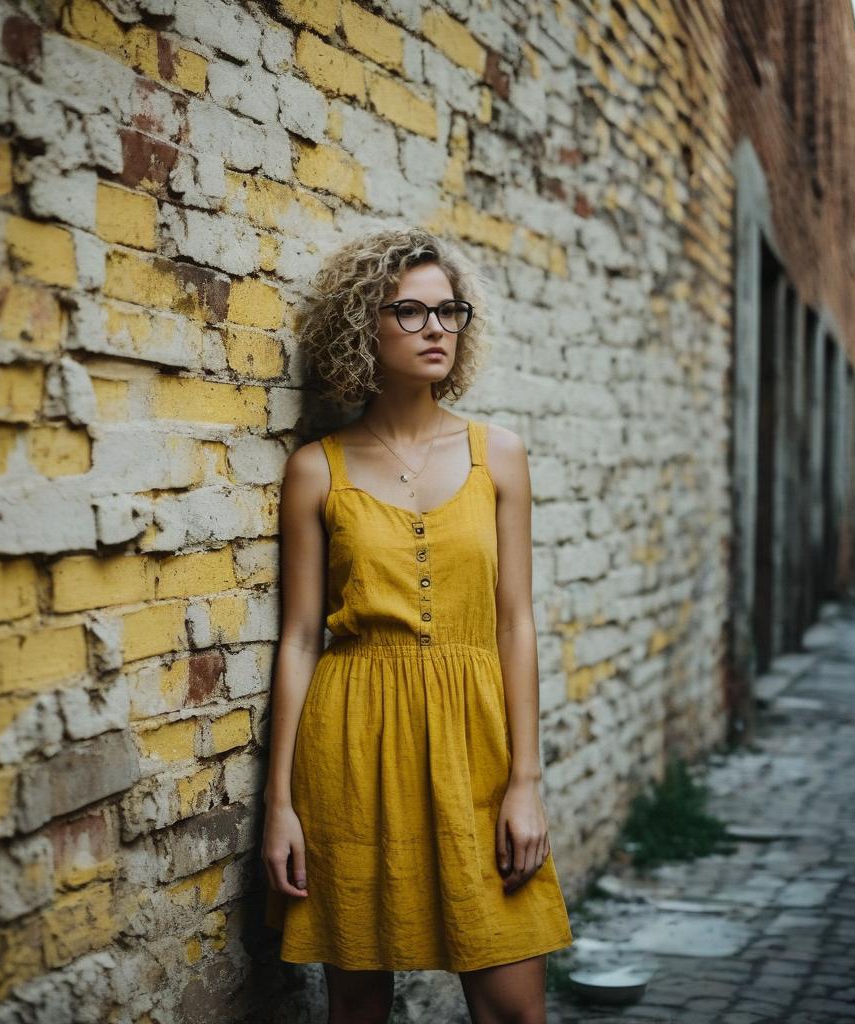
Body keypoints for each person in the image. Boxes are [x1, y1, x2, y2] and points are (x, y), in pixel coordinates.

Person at [262, 227, 573, 1024]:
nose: (438, 328)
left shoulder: (498, 453)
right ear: (362, 326)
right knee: (357, 1008)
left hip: (478, 743)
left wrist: (526, 783)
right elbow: (299, 639)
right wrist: (281, 805)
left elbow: (515, 623)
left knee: (515, 1010)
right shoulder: (315, 468)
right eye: (410, 311)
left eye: (450, 311)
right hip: (352, 747)